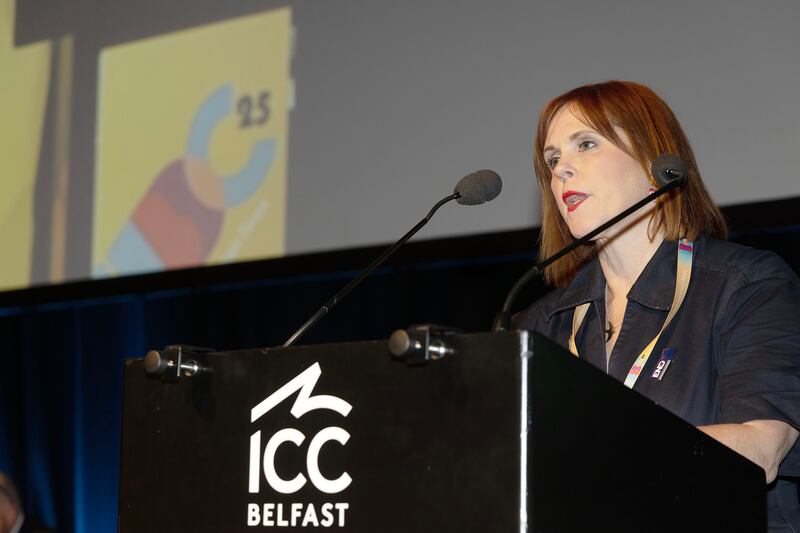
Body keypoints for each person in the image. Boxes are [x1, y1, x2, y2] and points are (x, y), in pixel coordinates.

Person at [513, 80, 800, 530]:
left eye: (585, 144)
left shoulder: (747, 287)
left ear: (654, 161)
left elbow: (759, 449)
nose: (561, 172)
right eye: (552, 160)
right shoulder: (540, 326)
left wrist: (591, 461)